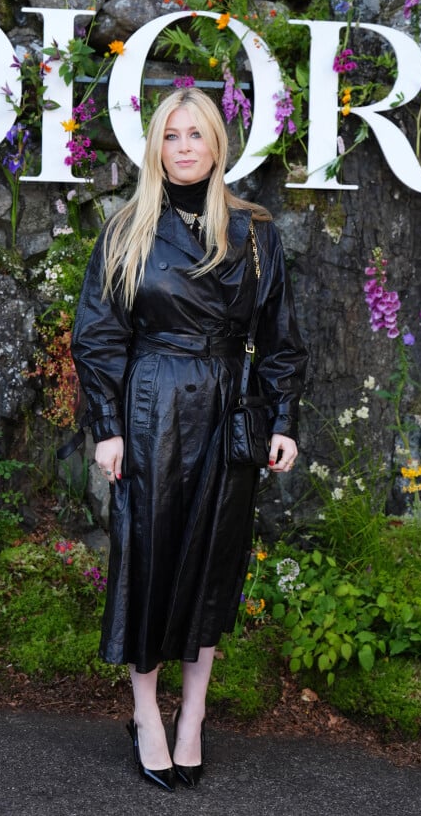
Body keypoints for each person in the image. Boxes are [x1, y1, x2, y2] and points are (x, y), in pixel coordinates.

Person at [69, 87, 308, 791]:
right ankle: (146, 713)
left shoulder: (254, 230)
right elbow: (99, 337)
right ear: (155, 146)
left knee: (211, 566)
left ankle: (193, 717)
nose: (184, 147)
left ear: (216, 145)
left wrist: (283, 417)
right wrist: (107, 428)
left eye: (196, 134)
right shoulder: (126, 229)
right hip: (151, 408)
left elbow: (281, 337)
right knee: (148, 559)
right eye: (171, 135)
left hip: (229, 411)